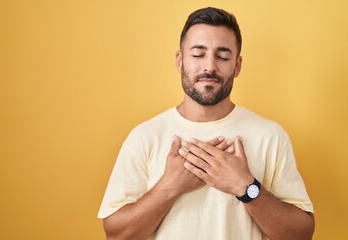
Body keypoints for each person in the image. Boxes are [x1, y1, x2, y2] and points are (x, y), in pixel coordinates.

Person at [98, 7, 315, 240]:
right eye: (198, 54)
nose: (210, 66)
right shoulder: (144, 136)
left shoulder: (270, 136)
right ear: (180, 61)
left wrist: (245, 186)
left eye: (222, 56)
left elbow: (301, 234)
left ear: (237, 65)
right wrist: (169, 187)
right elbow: (116, 235)